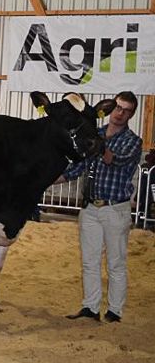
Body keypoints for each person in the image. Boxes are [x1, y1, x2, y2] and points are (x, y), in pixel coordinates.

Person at [61, 91, 142, 323]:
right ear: (110, 107)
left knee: (116, 262)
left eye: (126, 110)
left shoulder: (133, 141)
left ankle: (114, 312)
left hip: (115, 209)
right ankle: (90, 308)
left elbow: (113, 160)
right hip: (90, 208)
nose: (120, 113)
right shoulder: (95, 133)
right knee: (90, 261)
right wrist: (45, 180)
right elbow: (77, 168)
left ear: (132, 114)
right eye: (117, 107)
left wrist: (98, 143)